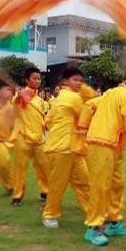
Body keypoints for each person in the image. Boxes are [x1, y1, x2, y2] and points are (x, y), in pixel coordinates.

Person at [82, 67, 126, 246]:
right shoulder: (125, 95)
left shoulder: (111, 93)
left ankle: (114, 221)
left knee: (116, 184)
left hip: (112, 144)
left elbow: (89, 105)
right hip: (103, 143)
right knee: (101, 185)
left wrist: (83, 128)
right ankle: (93, 227)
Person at [41, 68, 97, 228]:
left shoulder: (59, 98)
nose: (79, 83)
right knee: (58, 185)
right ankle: (49, 214)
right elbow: (89, 109)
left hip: (72, 148)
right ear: (65, 82)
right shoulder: (72, 97)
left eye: (81, 80)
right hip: (61, 149)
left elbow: (48, 121)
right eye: (75, 80)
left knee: (84, 182)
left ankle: (93, 213)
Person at [10, 68, 52, 205]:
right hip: (23, 137)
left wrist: (45, 123)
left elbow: (41, 118)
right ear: (27, 80)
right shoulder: (20, 97)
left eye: (39, 78)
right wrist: (20, 96)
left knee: (44, 166)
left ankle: (45, 190)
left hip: (39, 138)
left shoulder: (40, 101)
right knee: (20, 168)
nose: (37, 80)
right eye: (34, 78)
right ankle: (17, 195)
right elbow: (14, 108)